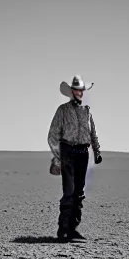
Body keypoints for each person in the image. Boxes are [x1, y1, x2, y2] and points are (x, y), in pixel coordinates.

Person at [48, 75, 102, 242]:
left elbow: (93, 133)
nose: (79, 93)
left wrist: (97, 151)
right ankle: (63, 229)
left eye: (81, 90)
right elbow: (53, 135)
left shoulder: (87, 112)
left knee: (79, 193)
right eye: (77, 90)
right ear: (71, 92)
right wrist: (57, 157)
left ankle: (73, 229)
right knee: (69, 191)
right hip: (67, 152)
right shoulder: (62, 110)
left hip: (82, 154)